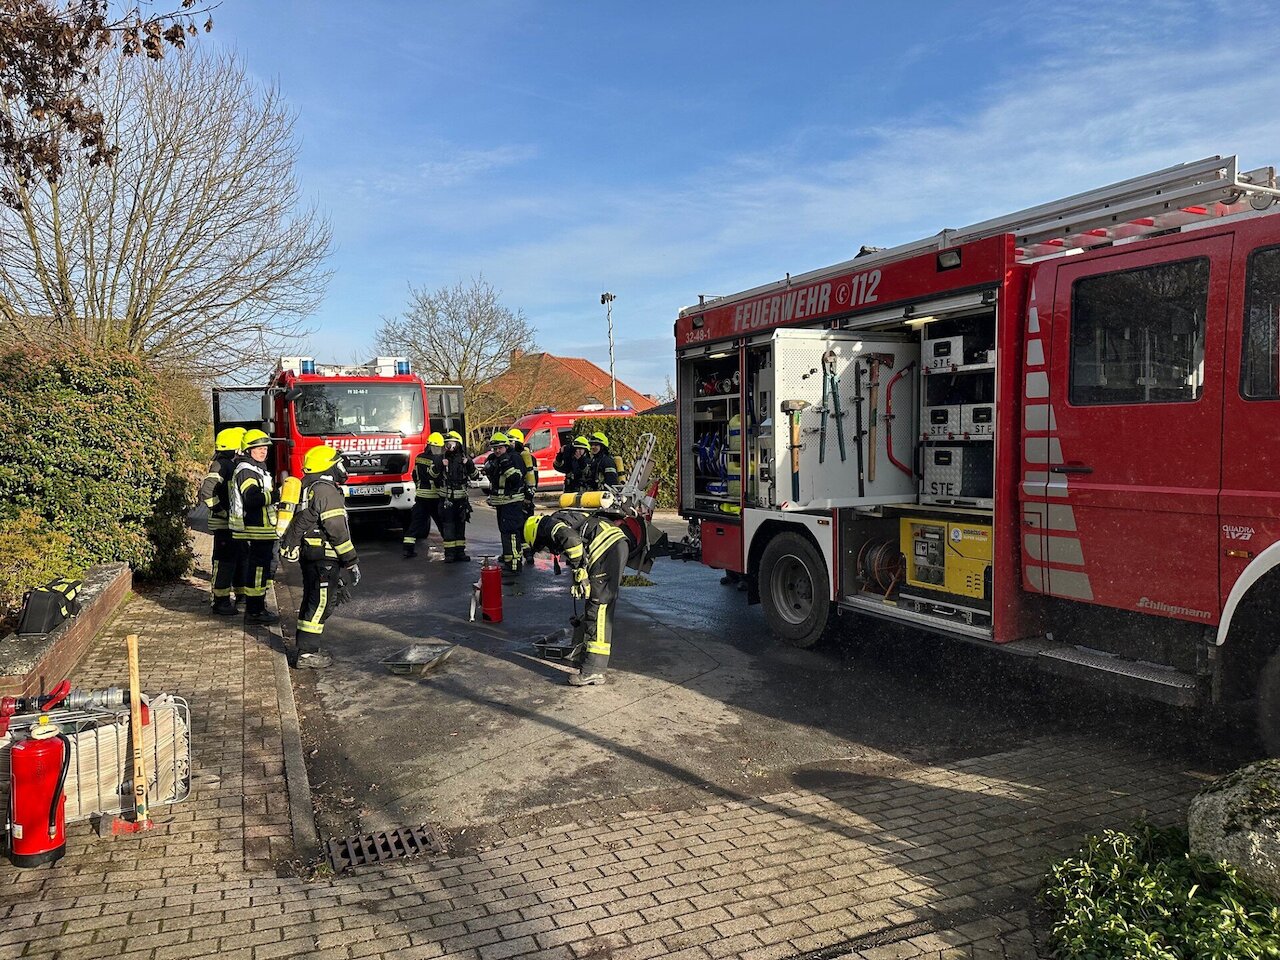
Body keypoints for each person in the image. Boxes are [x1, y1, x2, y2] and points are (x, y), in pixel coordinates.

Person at [523, 510, 629, 685]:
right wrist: (579, 578)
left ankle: (593, 670)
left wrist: (579, 570)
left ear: (535, 535)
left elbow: (571, 540)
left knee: (598, 607)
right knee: (597, 603)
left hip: (607, 549)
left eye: (541, 546)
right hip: (612, 546)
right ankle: (588, 657)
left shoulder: (548, 526)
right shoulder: (559, 520)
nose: (547, 551)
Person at [280, 445, 360, 669]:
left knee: (313, 600)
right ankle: (306, 654)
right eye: (338, 463)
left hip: (312, 554)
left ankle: (307, 649)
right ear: (328, 466)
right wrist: (351, 561)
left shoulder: (310, 486)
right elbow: (336, 528)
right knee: (320, 603)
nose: (342, 468)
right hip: (323, 556)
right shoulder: (325, 490)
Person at [229, 429, 279, 624]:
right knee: (257, 570)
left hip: (263, 529)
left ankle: (258, 606)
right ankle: (255, 611)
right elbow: (251, 499)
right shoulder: (246, 470)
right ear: (248, 450)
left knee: (262, 570)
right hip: (255, 529)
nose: (263, 451)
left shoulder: (258, 469)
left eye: (265, 448)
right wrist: (276, 496)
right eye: (258, 448)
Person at [198, 426, 245, 616]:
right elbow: (207, 491)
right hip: (223, 524)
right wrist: (220, 510)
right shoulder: (221, 465)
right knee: (224, 562)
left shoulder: (229, 463)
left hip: (232, 523)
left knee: (239, 559)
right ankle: (220, 600)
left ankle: (240, 596)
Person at [484, 432, 527, 574]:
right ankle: (509, 561)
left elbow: (516, 478)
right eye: (494, 448)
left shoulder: (514, 458)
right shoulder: (495, 459)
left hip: (512, 502)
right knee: (505, 532)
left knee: (512, 533)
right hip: (502, 503)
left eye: (500, 448)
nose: (497, 451)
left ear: (506, 447)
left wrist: (505, 464)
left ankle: (514, 565)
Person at [434, 430, 476, 562]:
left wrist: (469, 464)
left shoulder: (465, 458)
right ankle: (449, 554)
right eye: (446, 443)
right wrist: (441, 465)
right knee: (448, 526)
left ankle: (460, 552)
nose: (448, 446)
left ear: (458, 444)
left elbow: (475, 476)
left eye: (451, 443)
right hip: (447, 498)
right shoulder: (441, 458)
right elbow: (432, 475)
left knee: (460, 525)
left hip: (461, 499)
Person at [403, 431, 444, 558]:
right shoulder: (438, 459)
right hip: (434, 497)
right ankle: (450, 549)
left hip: (420, 496)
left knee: (415, 524)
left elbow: (415, 475)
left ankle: (408, 549)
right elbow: (438, 478)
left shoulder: (419, 458)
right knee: (442, 524)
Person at [507, 427, 538, 516]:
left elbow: (534, 478)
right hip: (511, 499)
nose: (509, 445)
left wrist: (529, 497)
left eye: (511, 442)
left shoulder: (528, 458)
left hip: (524, 499)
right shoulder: (508, 458)